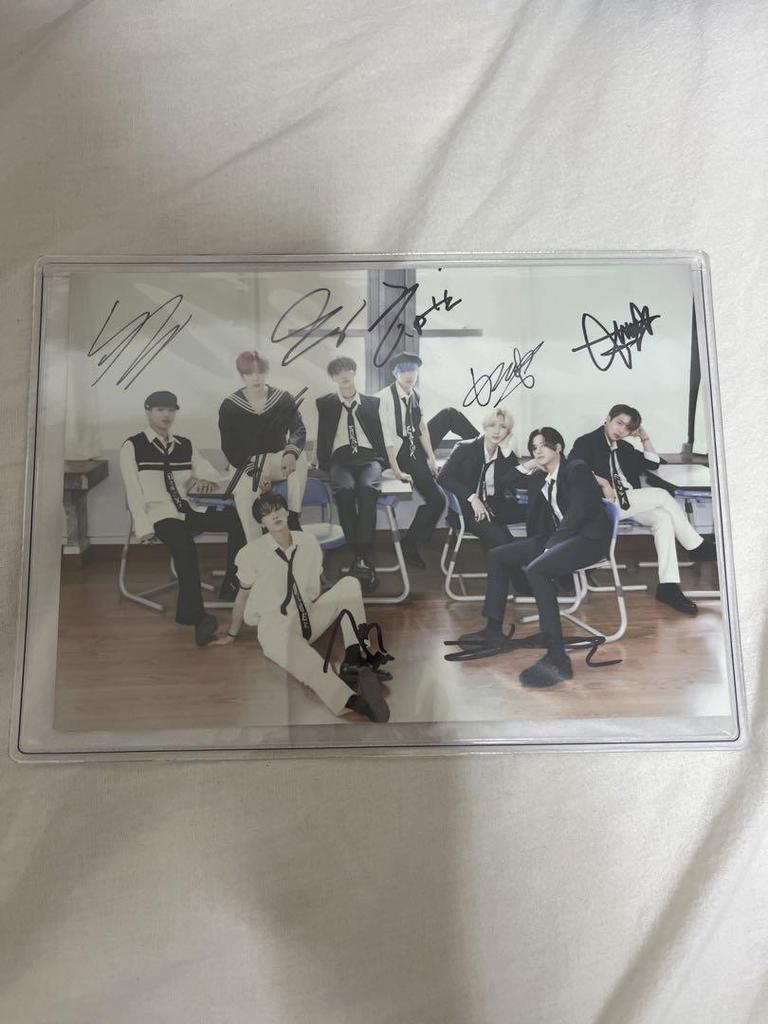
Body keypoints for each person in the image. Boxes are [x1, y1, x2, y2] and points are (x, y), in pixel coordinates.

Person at [212, 492, 391, 723]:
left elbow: (314, 589)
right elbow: (242, 596)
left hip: (307, 617)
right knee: (311, 662)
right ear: (261, 523)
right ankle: (353, 702)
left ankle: (354, 659)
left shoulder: (308, 543)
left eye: (277, 509)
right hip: (275, 629)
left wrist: (323, 606)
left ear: (287, 512)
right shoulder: (251, 554)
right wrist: (231, 633)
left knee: (349, 583)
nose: (274, 515)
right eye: (266, 514)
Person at [459, 427, 612, 687]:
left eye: (543, 445)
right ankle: (493, 630)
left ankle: (557, 657)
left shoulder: (576, 469)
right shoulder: (542, 476)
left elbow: (578, 514)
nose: (537, 450)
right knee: (498, 556)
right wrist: (533, 463)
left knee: (536, 570)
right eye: (533, 447)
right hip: (558, 537)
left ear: (558, 447)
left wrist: (550, 546)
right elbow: (506, 481)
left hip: (588, 540)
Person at [119, 390, 247, 646]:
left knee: (240, 519)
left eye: (171, 410)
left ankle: (232, 585)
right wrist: (143, 528)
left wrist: (205, 480)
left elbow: (209, 472)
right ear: (148, 412)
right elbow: (133, 491)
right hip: (160, 515)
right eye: (160, 410)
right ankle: (197, 618)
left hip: (189, 510)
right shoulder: (133, 446)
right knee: (185, 548)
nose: (166, 415)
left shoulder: (185, 445)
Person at [569, 404, 716, 615]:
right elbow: (572, 469)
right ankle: (697, 547)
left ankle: (668, 587)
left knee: (663, 518)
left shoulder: (624, 447)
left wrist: (644, 437)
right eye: (619, 423)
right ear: (608, 418)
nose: (621, 430)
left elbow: (653, 463)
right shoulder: (587, 441)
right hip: (604, 503)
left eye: (627, 428)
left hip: (628, 501)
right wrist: (603, 482)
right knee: (661, 495)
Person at [218, 350, 308, 543]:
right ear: (242, 375)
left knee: (300, 457)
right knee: (244, 496)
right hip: (245, 463)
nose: (255, 377)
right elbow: (230, 448)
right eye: (249, 373)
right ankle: (257, 547)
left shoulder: (283, 398)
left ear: (266, 373)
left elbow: (298, 429)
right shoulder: (230, 405)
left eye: (260, 372)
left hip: (276, 460)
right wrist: (255, 472)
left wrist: (290, 453)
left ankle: (293, 516)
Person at [315, 356, 387, 591]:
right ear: (334, 378)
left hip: (369, 458)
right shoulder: (325, 404)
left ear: (354, 372)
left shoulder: (372, 403)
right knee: (345, 490)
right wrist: (319, 461)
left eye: (347, 370)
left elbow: (384, 435)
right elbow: (321, 434)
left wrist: (390, 465)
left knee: (367, 489)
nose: (344, 375)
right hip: (341, 459)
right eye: (338, 372)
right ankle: (360, 557)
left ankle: (361, 556)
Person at [376, 352, 447, 569]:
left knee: (438, 500)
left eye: (413, 370)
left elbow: (422, 428)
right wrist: (396, 470)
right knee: (437, 500)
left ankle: (411, 541)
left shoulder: (414, 395)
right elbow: (386, 439)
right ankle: (410, 545)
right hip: (395, 453)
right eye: (404, 370)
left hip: (413, 450)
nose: (409, 375)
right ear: (395, 373)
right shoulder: (382, 398)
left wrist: (432, 458)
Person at [437, 406, 526, 550]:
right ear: (485, 427)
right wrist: (472, 497)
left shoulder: (505, 454)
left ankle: (545, 554)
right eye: (492, 425)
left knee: (537, 510)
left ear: (508, 432)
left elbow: (517, 482)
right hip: (468, 511)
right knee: (504, 540)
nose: (497, 431)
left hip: (494, 506)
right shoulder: (465, 448)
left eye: (503, 427)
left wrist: (507, 450)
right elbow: (443, 477)